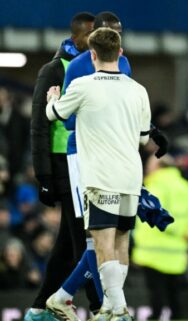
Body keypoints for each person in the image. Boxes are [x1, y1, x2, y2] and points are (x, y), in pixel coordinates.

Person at [45, 27, 151, 321]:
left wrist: (52, 97)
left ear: (92, 55)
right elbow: (144, 138)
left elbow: (54, 115)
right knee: (121, 244)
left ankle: (118, 310)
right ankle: (111, 308)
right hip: (131, 177)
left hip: (100, 178)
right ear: (120, 53)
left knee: (102, 245)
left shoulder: (83, 85)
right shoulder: (138, 89)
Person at [27, 12, 98, 321]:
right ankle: (99, 308)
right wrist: (43, 175)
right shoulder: (54, 70)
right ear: (78, 36)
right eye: (91, 36)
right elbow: (39, 126)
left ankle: (40, 307)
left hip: (87, 160)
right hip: (62, 163)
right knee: (85, 238)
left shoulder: (96, 67)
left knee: (69, 240)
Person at [132, 156, 188, 320]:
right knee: (174, 299)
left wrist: (174, 230)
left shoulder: (155, 186)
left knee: (155, 299)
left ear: (158, 166)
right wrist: (186, 233)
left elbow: (155, 216)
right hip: (177, 252)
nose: (147, 169)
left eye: (149, 165)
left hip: (152, 251)